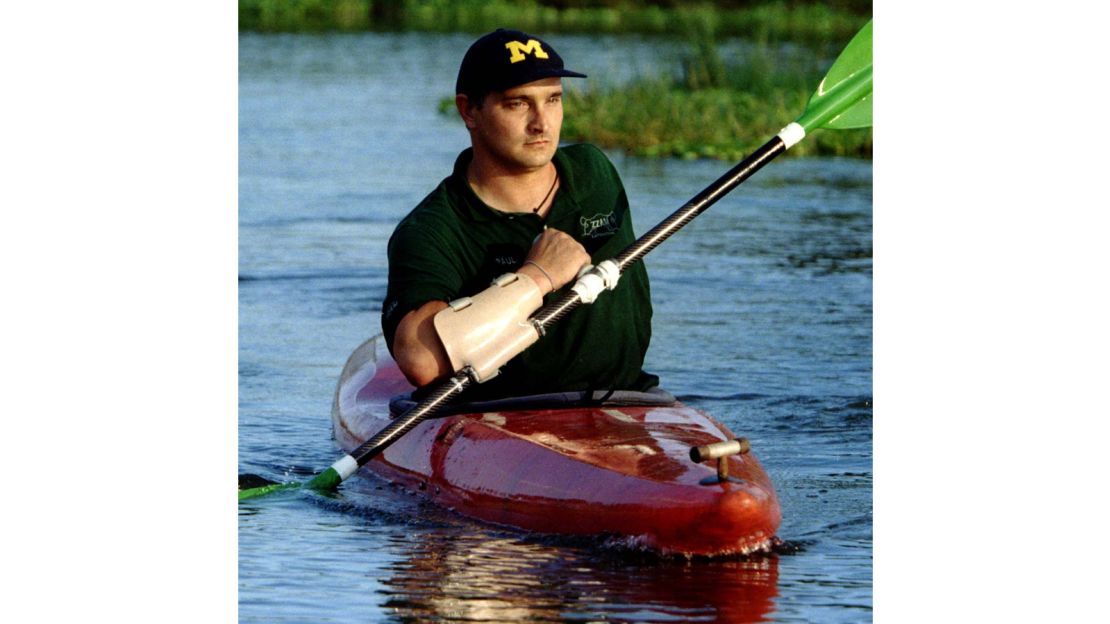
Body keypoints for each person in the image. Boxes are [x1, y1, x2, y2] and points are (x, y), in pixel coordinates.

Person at [381, 28, 657, 400]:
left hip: (629, 402)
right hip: (505, 421)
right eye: (518, 103)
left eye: (553, 100)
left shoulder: (594, 172)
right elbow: (420, 360)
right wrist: (536, 277)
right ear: (469, 111)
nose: (542, 123)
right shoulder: (431, 230)